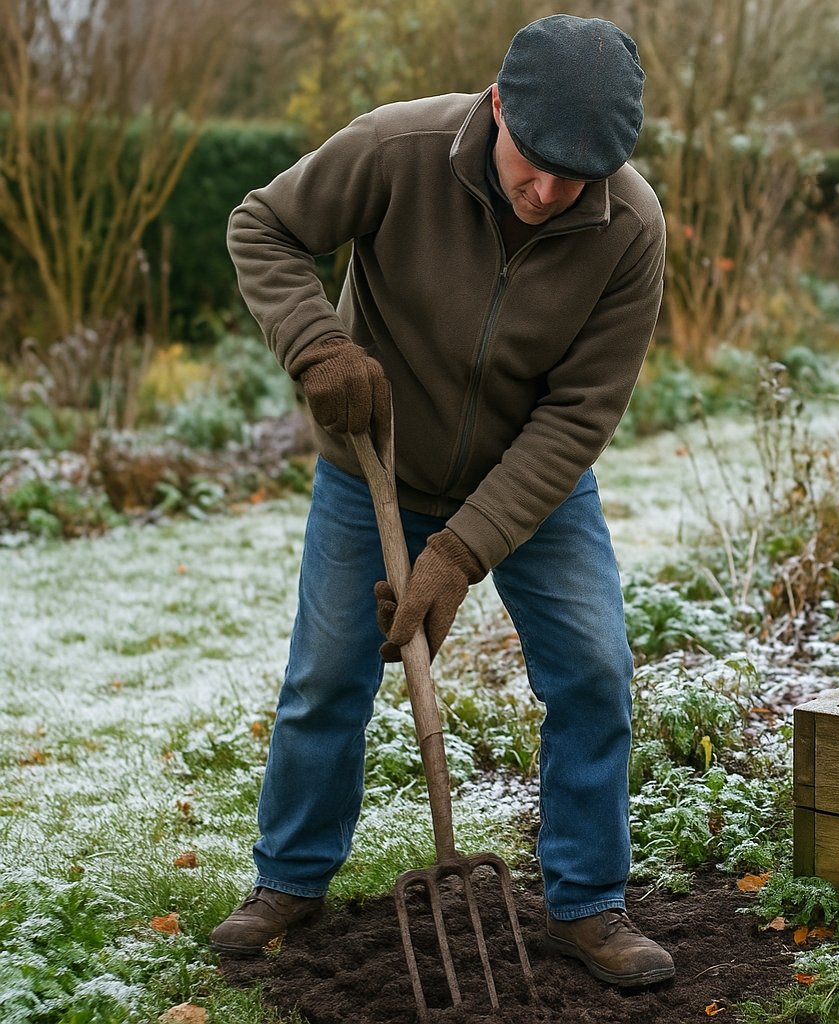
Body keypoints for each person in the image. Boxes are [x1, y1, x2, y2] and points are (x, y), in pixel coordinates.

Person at [212, 14, 672, 987]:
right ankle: (290, 880)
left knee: (594, 669)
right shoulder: (398, 150)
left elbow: (578, 414)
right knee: (328, 677)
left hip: (532, 482)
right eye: (535, 161)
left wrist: (462, 553)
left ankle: (587, 905)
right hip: (373, 466)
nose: (549, 192)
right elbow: (262, 224)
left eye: (576, 176)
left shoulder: (629, 227)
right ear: (497, 106)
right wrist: (317, 345)